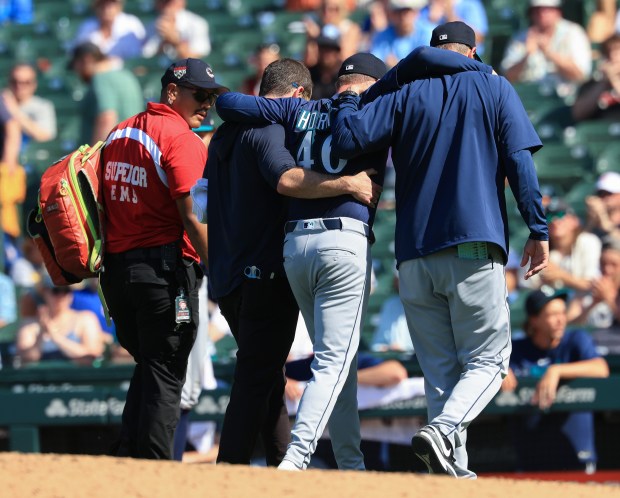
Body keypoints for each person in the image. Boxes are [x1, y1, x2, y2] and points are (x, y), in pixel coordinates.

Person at [216, 45, 493, 471]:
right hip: (341, 244)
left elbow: (229, 102)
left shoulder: (303, 110)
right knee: (334, 360)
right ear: (373, 84)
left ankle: (350, 464)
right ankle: (296, 459)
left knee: (337, 361)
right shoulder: (379, 110)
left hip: (294, 248)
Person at [331, 21, 549, 477]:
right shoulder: (493, 86)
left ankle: (449, 480)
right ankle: (445, 428)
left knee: (441, 376)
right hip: (471, 246)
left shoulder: (405, 93)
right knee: (490, 361)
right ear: (472, 51)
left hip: (411, 255)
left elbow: (348, 139)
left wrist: (350, 97)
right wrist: (538, 227)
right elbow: (520, 163)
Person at [208, 57, 379, 467]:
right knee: (255, 379)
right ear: (299, 93)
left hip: (228, 275)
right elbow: (286, 180)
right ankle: (233, 470)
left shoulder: (221, 136)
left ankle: (281, 463)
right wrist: (348, 183)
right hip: (263, 274)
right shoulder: (267, 128)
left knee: (267, 379)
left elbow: (204, 206)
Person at [99, 58, 225, 460]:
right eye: (199, 95)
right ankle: (155, 473)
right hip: (164, 276)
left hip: (118, 276)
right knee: (167, 375)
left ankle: (126, 461)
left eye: (212, 96)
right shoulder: (181, 138)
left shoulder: (118, 133)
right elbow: (192, 215)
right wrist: (219, 269)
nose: (207, 104)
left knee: (151, 367)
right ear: (172, 92)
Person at [501, 289, 610, 472]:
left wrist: (557, 370)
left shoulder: (576, 340)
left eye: (562, 313)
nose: (560, 320)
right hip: (530, 458)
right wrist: (500, 371)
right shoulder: (515, 349)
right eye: (552, 315)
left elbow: (601, 369)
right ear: (534, 320)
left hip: (576, 456)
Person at [500, 0, 591, 98]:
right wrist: (526, 57)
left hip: (565, 99)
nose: (542, 14)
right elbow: (508, 76)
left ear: (558, 11)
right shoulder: (521, 38)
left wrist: (549, 53)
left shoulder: (573, 33)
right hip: (528, 98)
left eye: (547, 9)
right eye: (537, 10)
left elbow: (580, 75)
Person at [68, 42, 144, 145]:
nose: (77, 71)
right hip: (132, 151)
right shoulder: (128, 76)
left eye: (76, 66)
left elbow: (106, 118)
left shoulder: (101, 79)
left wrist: (95, 157)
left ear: (87, 59)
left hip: (114, 155)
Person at [16, 281, 106, 365]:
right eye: (56, 291)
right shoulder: (28, 325)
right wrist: (41, 333)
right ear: (45, 293)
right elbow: (27, 358)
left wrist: (55, 336)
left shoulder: (86, 318)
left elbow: (92, 354)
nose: (61, 296)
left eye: (66, 291)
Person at [524, 198, 601, 294]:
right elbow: (527, 286)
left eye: (561, 215)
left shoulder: (588, 241)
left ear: (574, 221)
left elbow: (592, 286)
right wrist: (543, 278)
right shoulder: (540, 249)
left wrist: (560, 275)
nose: (555, 221)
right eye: (549, 216)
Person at [3, 63, 57, 149]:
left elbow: (45, 137)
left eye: (26, 82)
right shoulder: (2, 103)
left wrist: (14, 111)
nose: (19, 86)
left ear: (34, 84)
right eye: (15, 81)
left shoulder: (43, 106)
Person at [72, 0, 146, 61]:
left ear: (119, 6)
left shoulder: (131, 23)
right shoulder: (87, 27)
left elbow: (139, 56)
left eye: (111, 4)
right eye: (102, 4)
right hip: (95, 74)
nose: (106, 8)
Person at [142, 0, 211, 62]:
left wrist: (176, 42)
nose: (167, 7)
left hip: (187, 75)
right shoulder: (151, 26)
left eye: (172, 3)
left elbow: (198, 62)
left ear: (182, 2)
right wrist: (163, 44)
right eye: (163, 2)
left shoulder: (197, 24)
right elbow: (143, 63)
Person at [572, 33, 620, 122]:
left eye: (617, 52)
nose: (613, 56)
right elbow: (578, 113)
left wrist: (614, 79)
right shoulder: (593, 83)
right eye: (608, 53)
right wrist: (603, 84)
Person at [370, 0, 431, 68]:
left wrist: (398, 65)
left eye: (407, 11)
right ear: (392, 14)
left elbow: (426, 62)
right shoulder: (381, 36)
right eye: (398, 11)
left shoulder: (427, 32)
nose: (403, 17)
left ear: (416, 13)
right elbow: (375, 63)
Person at [585, 171, 620, 239]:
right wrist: (591, 219)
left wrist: (603, 218)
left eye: (609, 193)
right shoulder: (594, 222)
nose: (605, 198)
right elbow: (580, 244)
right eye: (601, 194)